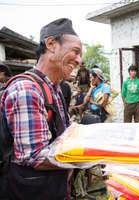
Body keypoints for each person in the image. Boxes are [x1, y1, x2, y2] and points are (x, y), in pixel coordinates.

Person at [0, 18, 82, 199]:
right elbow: (35, 156)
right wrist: (90, 155)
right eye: (75, 52)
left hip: (53, 188)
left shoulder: (55, 88)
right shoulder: (27, 90)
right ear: (51, 44)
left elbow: (63, 135)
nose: (79, 60)